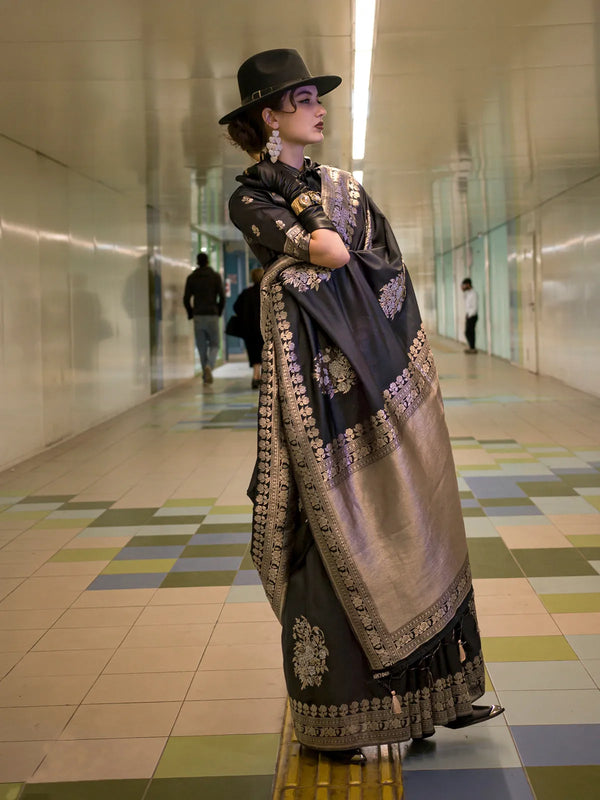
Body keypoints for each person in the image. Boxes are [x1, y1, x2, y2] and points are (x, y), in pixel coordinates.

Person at [219, 48, 503, 762]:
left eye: (318, 96)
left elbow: (380, 266)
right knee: (325, 542)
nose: (320, 109)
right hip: (316, 409)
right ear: (269, 115)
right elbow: (324, 255)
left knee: (407, 524)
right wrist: (310, 252)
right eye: (306, 98)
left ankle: (426, 704)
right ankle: (343, 717)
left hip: (379, 385)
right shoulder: (249, 196)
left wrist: (310, 259)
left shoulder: (344, 187)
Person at [183, 253, 225, 383]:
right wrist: (218, 311)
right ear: (207, 262)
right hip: (212, 314)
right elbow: (222, 297)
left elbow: (186, 298)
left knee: (201, 347)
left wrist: (191, 313)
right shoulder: (215, 277)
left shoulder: (192, 278)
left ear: (197, 262)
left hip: (198, 315)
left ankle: (204, 373)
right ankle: (209, 366)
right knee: (215, 344)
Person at [233, 266, 265, 389]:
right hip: (264, 330)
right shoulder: (267, 293)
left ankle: (255, 376)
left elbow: (236, 307)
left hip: (249, 330)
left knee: (254, 354)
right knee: (264, 353)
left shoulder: (246, 293)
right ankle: (261, 377)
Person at [461, 277, 478, 353]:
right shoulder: (468, 293)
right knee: (468, 332)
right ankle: (471, 347)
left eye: (464, 285)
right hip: (468, 315)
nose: (463, 287)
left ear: (468, 284)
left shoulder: (473, 294)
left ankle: (472, 348)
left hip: (472, 315)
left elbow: (474, 306)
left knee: (469, 332)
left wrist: (470, 315)